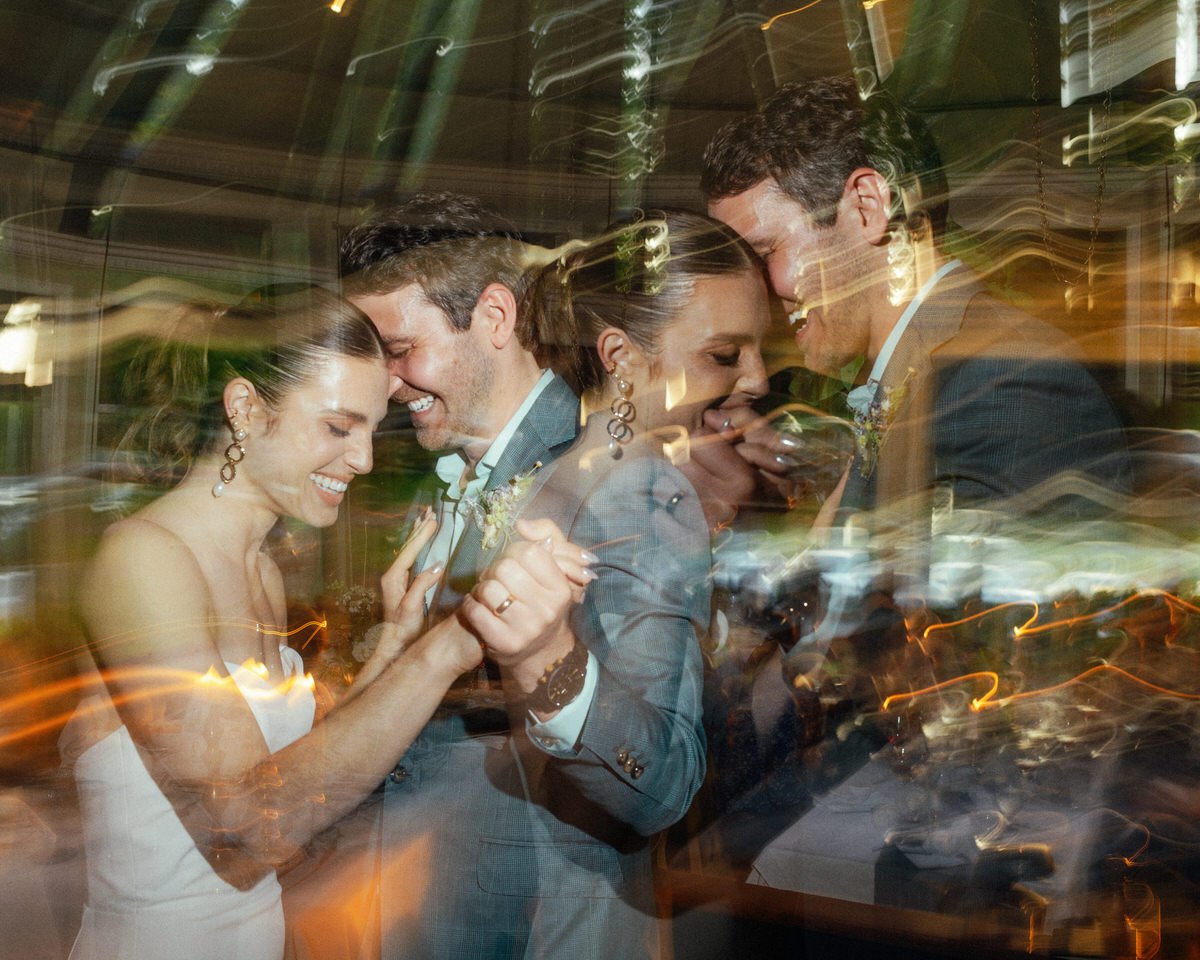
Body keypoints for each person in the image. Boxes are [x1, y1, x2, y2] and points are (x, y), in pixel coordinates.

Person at [62, 288, 589, 960]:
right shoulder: (142, 560)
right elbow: (247, 836)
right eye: (339, 428)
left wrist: (398, 642)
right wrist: (451, 646)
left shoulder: (261, 570)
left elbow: (296, 774)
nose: (365, 460)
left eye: (372, 429)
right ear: (247, 409)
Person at [340, 201, 768, 957]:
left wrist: (551, 666)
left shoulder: (629, 483)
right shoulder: (448, 474)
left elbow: (663, 780)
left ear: (495, 316)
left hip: (537, 932)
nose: (386, 384)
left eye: (400, 348)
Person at [700, 74, 1132, 526]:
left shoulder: (1005, 388)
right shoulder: (933, 372)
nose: (756, 295)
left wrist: (759, 540)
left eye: (765, 253)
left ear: (868, 207)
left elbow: (985, 595)